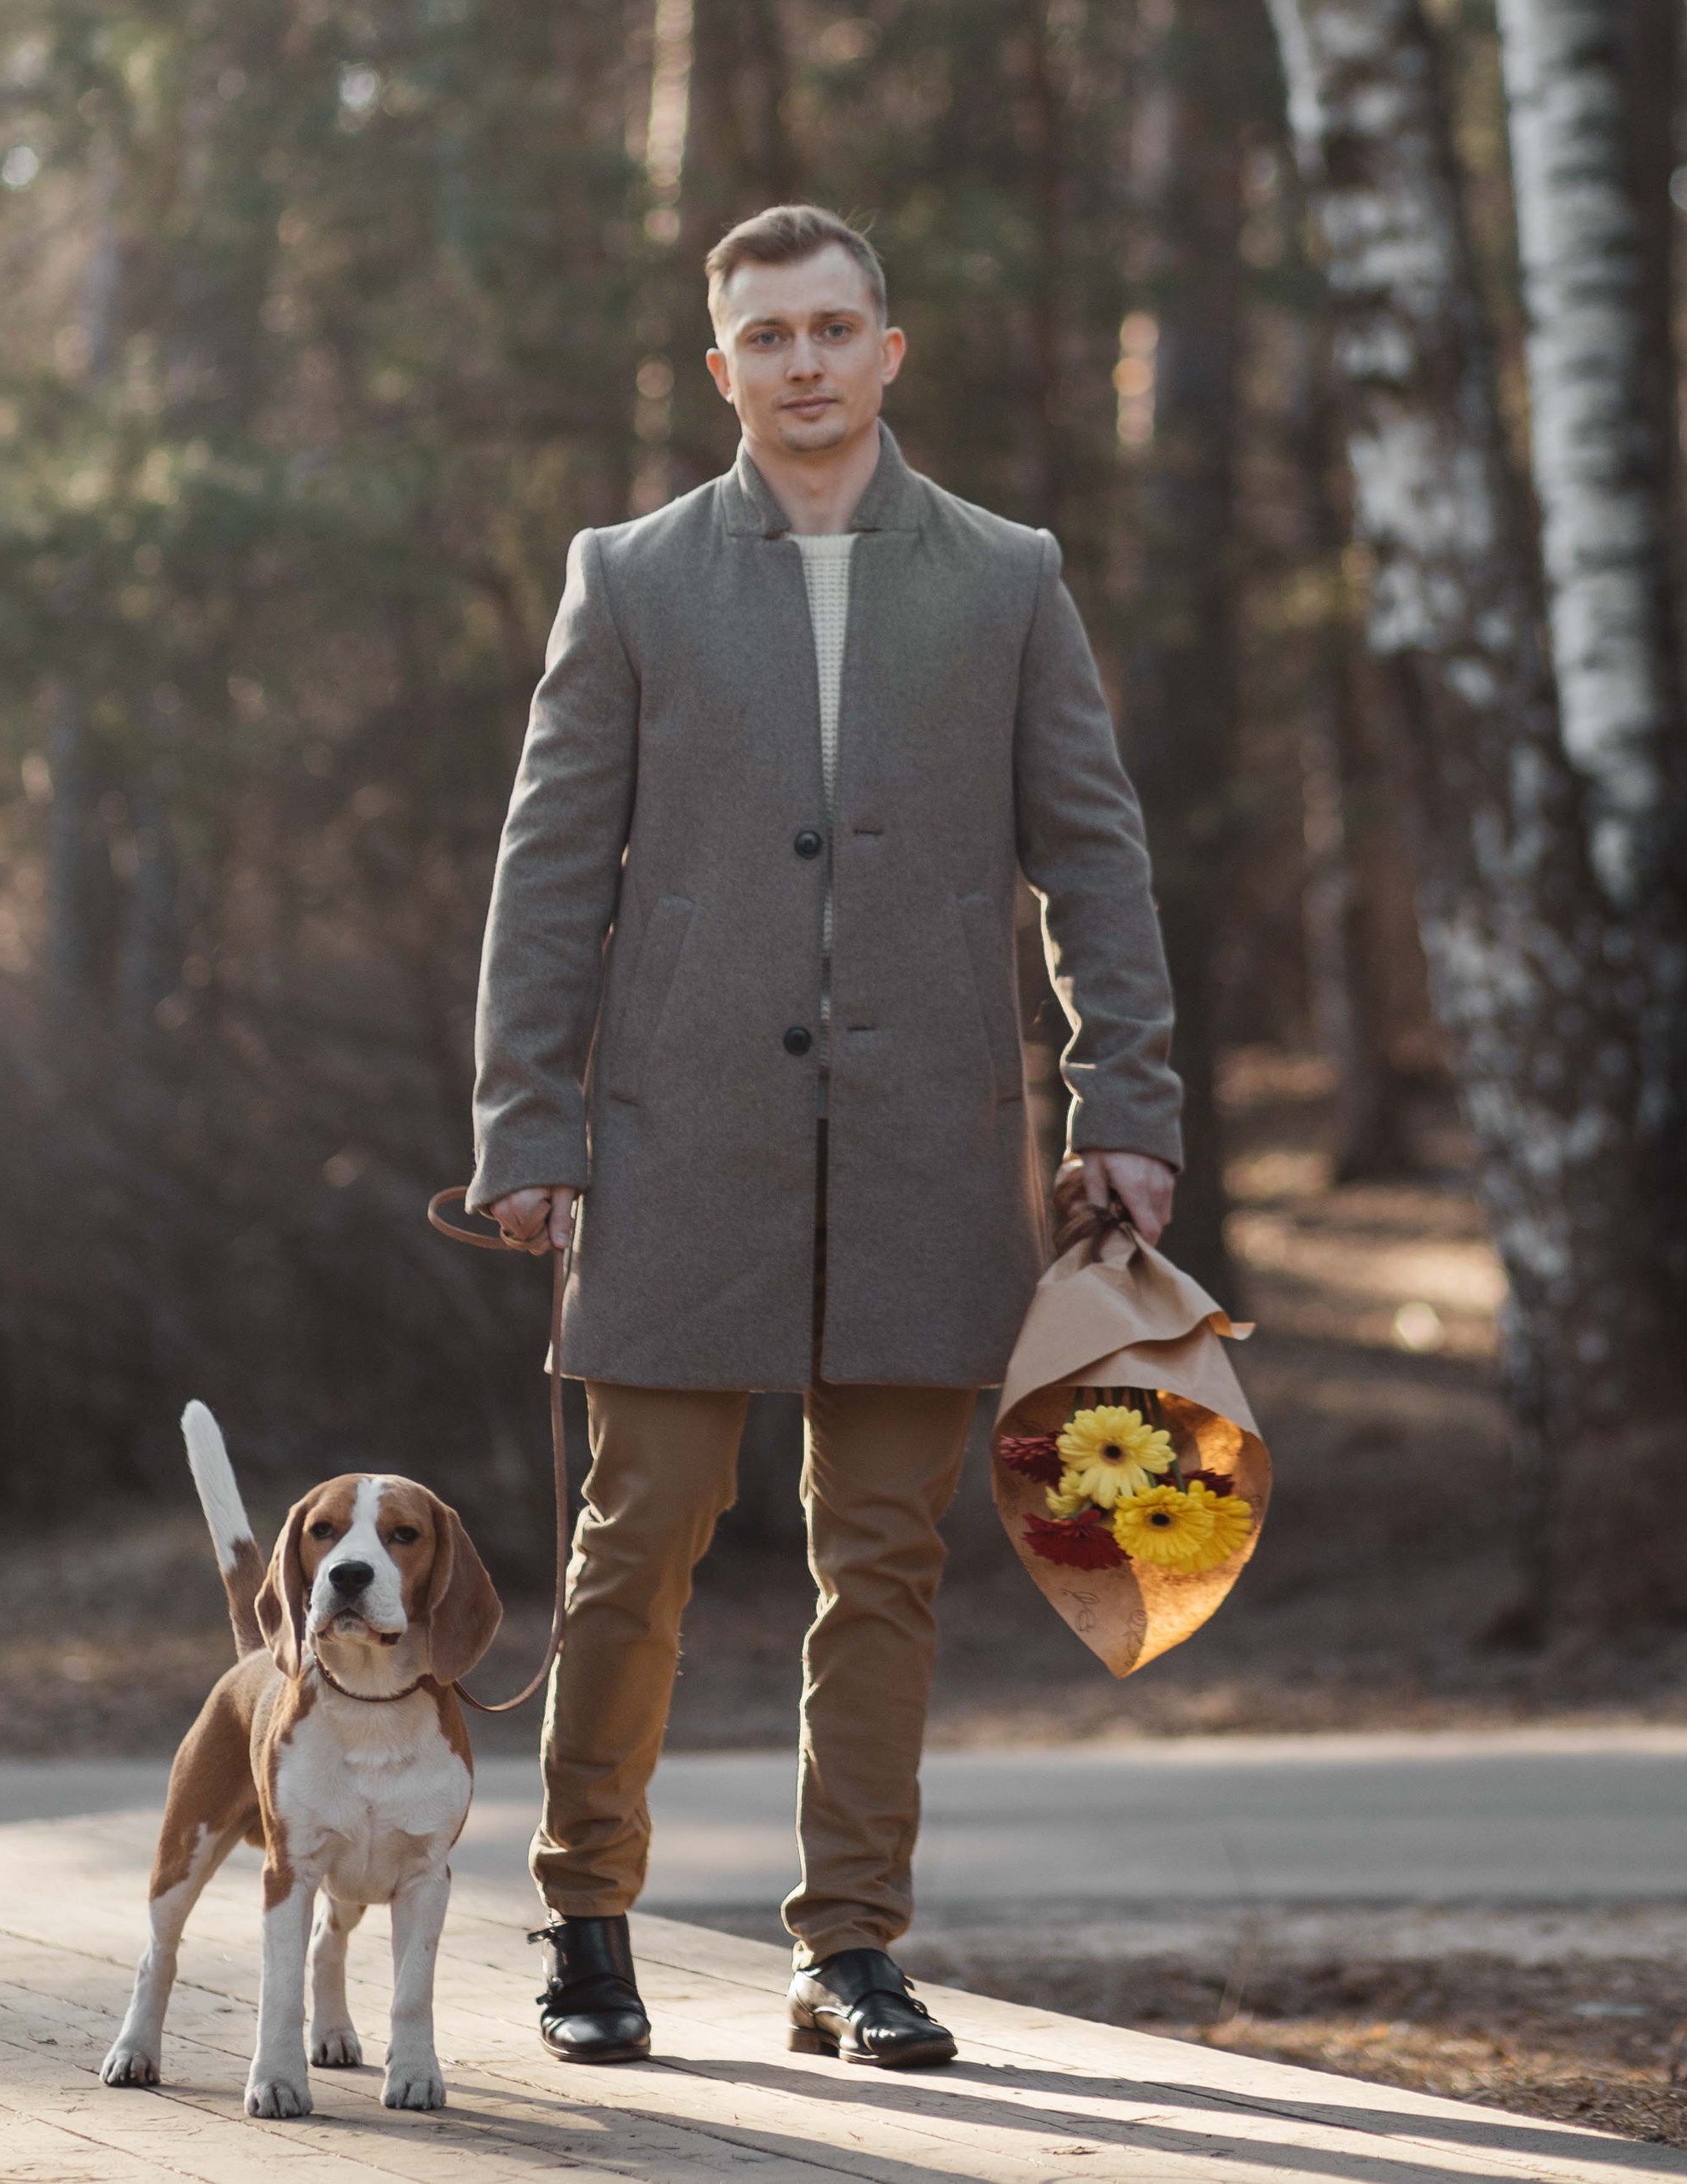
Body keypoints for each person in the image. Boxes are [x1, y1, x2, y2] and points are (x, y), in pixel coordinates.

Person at [468, 204, 1180, 2071]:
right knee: (638, 1541)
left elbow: (1091, 857)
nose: (801, 360)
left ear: (888, 349)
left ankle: (850, 1946)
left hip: (931, 1141)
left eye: (832, 326)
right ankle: (590, 1917)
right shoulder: (624, 576)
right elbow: (548, 872)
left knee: (885, 1553)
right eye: (765, 334)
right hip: (671, 1139)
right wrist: (524, 1118)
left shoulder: (1009, 574)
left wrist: (1127, 1104)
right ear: (722, 369)